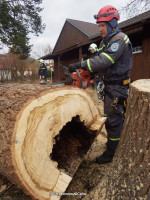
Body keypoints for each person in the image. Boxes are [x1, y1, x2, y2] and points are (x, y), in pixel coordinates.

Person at [68, 5, 132, 164]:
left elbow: (104, 60)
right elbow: (97, 57)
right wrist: (85, 70)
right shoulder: (106, 41)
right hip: (111, 86)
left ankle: (112, 153)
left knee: (113, 120)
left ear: (112, 23)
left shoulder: (119, 39)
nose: (100, 29)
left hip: (118, 88)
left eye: (103, 25)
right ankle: (118, 146)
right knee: (116, 118)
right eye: (99, 26)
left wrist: (80, 65)